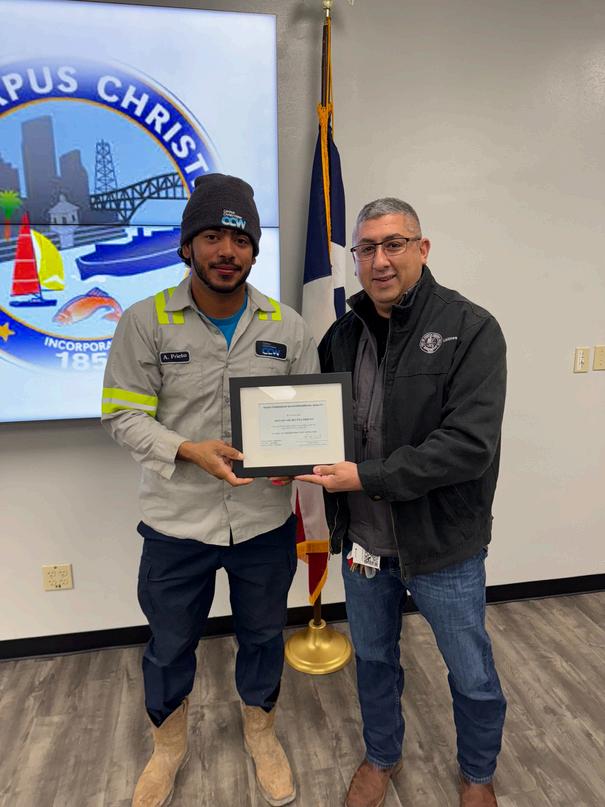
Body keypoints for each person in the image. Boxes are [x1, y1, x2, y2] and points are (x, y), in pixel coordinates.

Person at [102, 173, 319, 807]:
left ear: (254, 250)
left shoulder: (287, 326)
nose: (227, 251)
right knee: (170, 644)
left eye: (240, 239)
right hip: (177, 525)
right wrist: (185, 449)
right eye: (212, 237)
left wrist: (299, 459)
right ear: (188, 246)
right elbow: (123, 415)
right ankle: (168, 747)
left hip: (262, 523)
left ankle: (261, 732)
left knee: (262, 636)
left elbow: (309, 415)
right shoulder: (146, 322)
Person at [296, 197, 507, 807]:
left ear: (422, 248)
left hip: (443, 546)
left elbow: (467, 447)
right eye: (366, 249)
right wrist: (287, 458)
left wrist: (365, 476)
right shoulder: (342, 335)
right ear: (355, 259)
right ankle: (381, 756)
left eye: (394, 244)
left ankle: (478, 774)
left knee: (470, 670)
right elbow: (319, 424)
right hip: (364, 544)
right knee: (373, 660)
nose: (380, 260)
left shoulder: (471, 328)